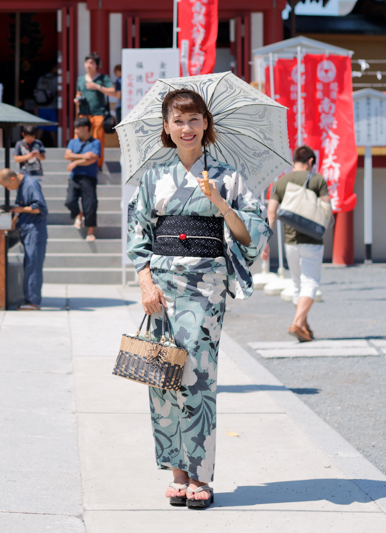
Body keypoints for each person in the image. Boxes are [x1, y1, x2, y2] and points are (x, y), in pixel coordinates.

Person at [128, 88, 268, 509]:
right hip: (162, 290)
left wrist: (220, 202)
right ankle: (177, 473)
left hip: (205, 289)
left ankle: (201, 478)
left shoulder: (229, 175)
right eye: (178, 120)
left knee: (199, 376)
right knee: (163, 376)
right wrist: (145, 283)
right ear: (167, 129)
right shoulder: (154, 177)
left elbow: (252, 235)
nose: (186, 128)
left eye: (193, 119)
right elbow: (139, 236)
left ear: (206, 124)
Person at [268, 146, 330, 342]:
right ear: (310, 161)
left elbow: (271, 213)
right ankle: (297, 322)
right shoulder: (317, 180)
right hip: (312, 240)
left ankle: (303, 326)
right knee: (310, 282)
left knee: (296, 284)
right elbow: (327, 209)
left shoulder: (281, 182)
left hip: (290, 241)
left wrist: (267, 243)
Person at [0, 168, 48, 310]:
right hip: (27, 229)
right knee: (29, 263)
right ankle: (30, 299)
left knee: (33, 264)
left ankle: (33, 302)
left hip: (35, 230)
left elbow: (41, 208)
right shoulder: (22, 186)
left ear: (13, 179)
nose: (8, 189)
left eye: (7, 186)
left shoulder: (30, 184)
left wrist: (21, 210)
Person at [74, 52, 116, 168]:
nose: (88, 65)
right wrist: (76, 99)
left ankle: (97, 165)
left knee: (98, 140)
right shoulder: (80, 79)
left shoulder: (103, 78)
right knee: (79, 137)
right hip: (83, 114)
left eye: (91, 62)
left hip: (98, 113)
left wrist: (97, 87)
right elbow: (78, 93)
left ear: (97, 65)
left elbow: (113, 92)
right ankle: (80, 162)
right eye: (87, 62)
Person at [64, 116, 101, 242]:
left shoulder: (95, 142)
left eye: (78, 129)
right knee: (69, 201)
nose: (75, 131)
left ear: (86, 128)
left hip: (89, 177)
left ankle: (90, 231)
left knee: (90, 205)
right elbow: (67, 155)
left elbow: (92, 159)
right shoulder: (73, 142)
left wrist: (75, 162)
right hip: (74, 177)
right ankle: (79, 214)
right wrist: (83, 156)